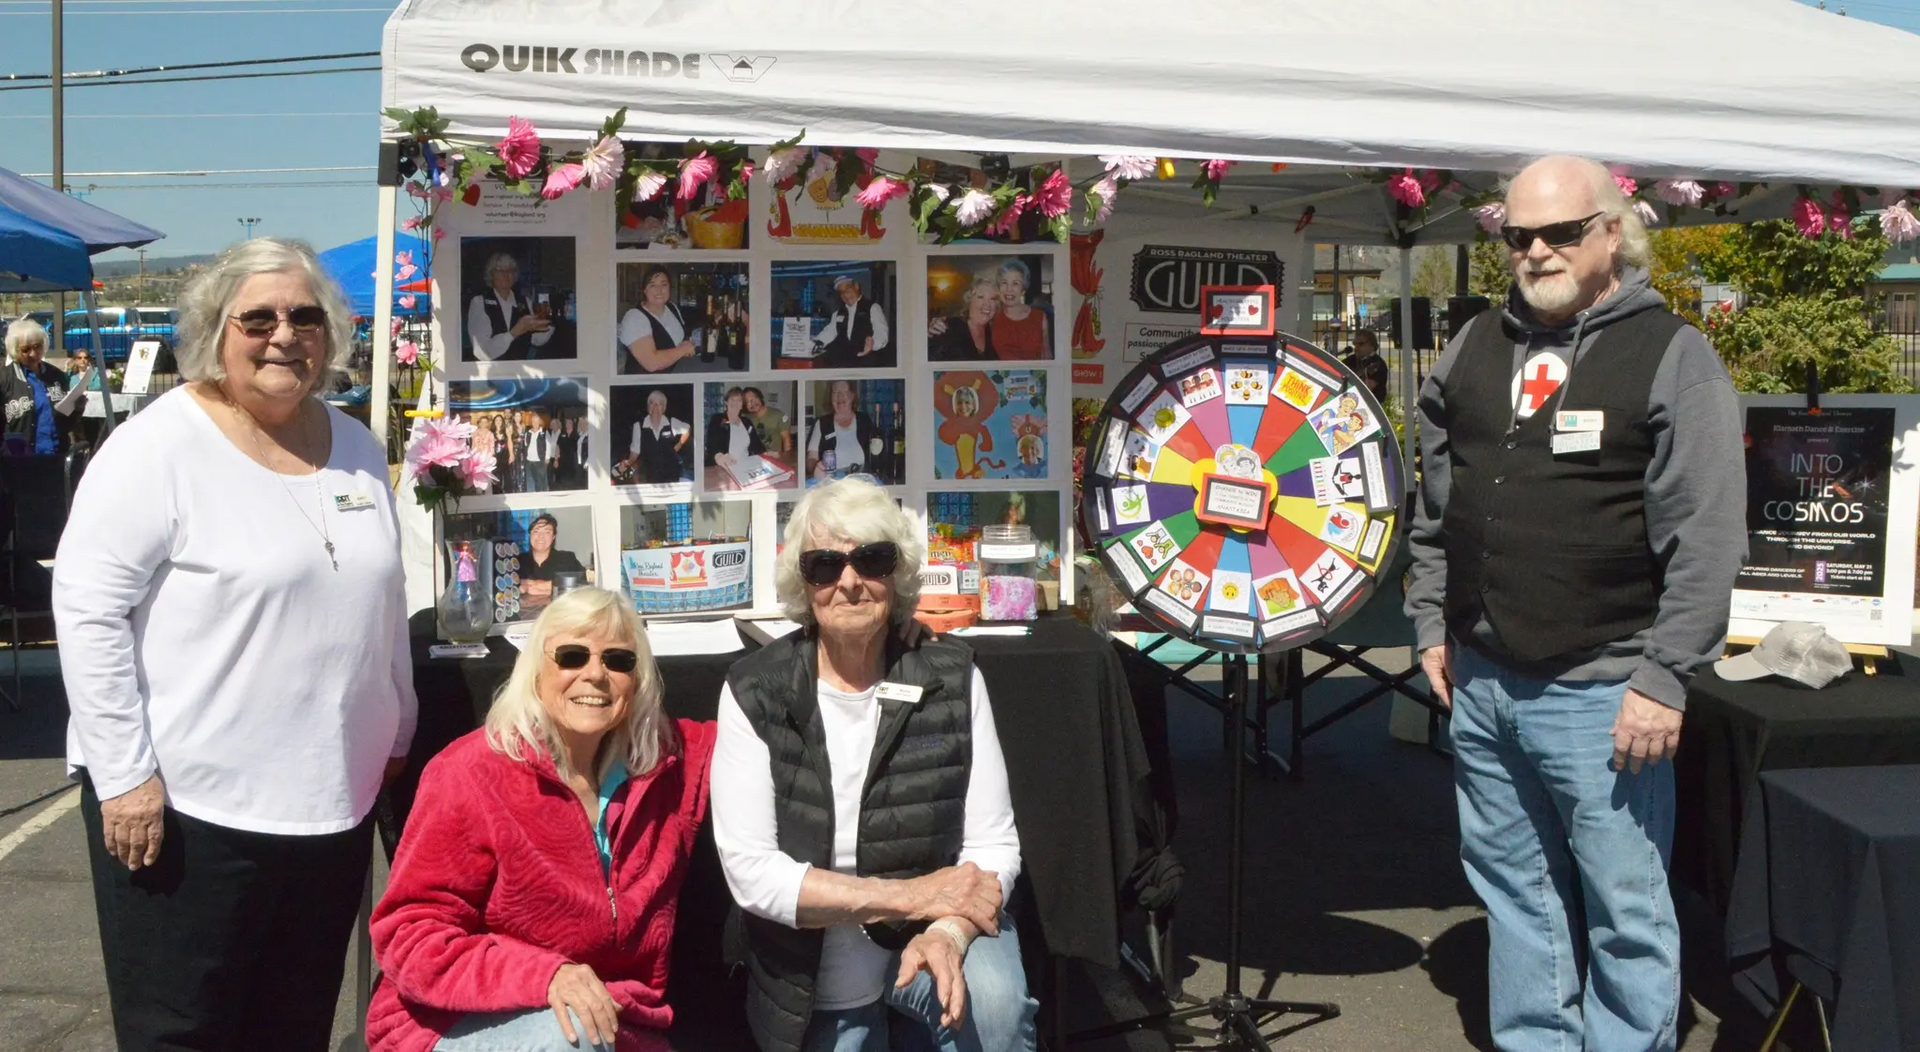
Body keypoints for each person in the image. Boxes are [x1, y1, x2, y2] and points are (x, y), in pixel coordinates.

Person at [1405, 155, 1745, 1052]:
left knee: (1624, 905)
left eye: (1561, 232)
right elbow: (1437, 504)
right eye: (1520, 236)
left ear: (1611, 233)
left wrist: (1665, 677)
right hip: (1480, 678)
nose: (1539, 251)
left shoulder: (1672, 355)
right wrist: (1430, 622)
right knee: (1514, 888)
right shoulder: (1476, 343)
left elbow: (1707, 537)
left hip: (1603, 690)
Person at [52, 238, 416, 1052]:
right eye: (258, 317)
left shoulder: (356, 446)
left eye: (305, 317)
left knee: (293, 1028)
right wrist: (124, 777)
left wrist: (397, 721)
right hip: (188, 811)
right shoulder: (158, 446)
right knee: (183, 1033)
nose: (284, 334)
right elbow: (86, 609)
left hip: (331, 806)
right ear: (216, 331)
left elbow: (382, 597)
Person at [711, 478, 1036, 1052]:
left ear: (898, 572)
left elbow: (994, 845)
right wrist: (915, 896)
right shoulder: (755, 689)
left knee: (993, 1005)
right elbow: (751, 874)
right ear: (802, 581)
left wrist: (949, 929)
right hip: (814, 971)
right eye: (825, 565)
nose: (850, 581)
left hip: (926, 938)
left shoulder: (952, 676)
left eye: (872, 559)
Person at [368, 588, 716, 1052]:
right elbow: (409, 935)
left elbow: (766, 726)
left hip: (614, 1022)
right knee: (569, 1040)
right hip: (449, 1021)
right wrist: (545, 975)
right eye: (571, 656)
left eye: (617, 660)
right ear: (534, 670)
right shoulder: (470, 773)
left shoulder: (668, 764)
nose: (595, 674)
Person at [3, 318, 84, 454]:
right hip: (18, 461)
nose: (33, 354)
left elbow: (66, 424)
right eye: (25, 349)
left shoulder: (56, 375)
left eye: (37, 346)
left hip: (56, 455)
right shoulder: (4, 379)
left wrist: (77, 409)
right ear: (15, 349)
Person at [468, 252, 554, 362]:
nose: (506, 274)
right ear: (491, 275)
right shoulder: (480, 302)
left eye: (510, 270)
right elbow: (482, 353)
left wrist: (549, 321)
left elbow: (536, 340)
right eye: (500, 270)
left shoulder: (525, 301)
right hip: (491, 371)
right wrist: (514, 332)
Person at [618, 265, 700, 374]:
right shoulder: (634, 318)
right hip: (645, 387)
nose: (659, 290)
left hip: (675, 375)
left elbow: (681, 338)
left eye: (664, 284)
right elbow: (651, 363)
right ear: (644, 290)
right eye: (652, 285)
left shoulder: (671, 307)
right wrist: (683, 350)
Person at [806, 379, 880, 484]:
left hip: (863, 484)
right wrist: (817, 467)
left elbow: (876, 452)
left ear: (852, 395)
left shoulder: (864, 420)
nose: (839, 397)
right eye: (835, 393)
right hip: (832, 485)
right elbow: (811, 459)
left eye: (844, 392)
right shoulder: (822, 423)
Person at [817, 275, 892, 368]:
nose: (846, 294)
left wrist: (873, 343)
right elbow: (829, 332)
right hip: (848, 361)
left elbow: (882, 332)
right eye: (841, 292)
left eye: (848, 289)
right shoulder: (838, 313)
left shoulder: (872, 307)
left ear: (856, 286)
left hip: (868, 361)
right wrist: (815, 343)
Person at [521, 513, 587, 609]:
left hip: (560, 613)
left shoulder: (567, 558)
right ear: (530, 534)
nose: (541, 536)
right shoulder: (517, 561)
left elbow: (582, 584)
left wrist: (544, 586)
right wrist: (555, 586)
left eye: (547, 532)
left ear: (553, 537)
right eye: (536, 531)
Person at [627, 390, 691, 485]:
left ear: (664, 408)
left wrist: (679, 445)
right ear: (648, 407)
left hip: (671, 476)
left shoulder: (672, 422)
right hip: (648, 478)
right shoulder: (638, 427)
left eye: (659, 404)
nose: (656, 407)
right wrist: (626, 463)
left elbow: (687, 429)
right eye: (652, 403)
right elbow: (635, 453)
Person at [928, 276, 999, 362]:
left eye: (992, 299)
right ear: (969, 301)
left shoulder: (995, 333)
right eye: (980, 297)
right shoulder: (948, 326)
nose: (987, 304)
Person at [706, 385, 766, 483]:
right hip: (726, 470)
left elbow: (757, 444)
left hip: (747, 469)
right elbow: (712, 442)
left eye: (739, 400)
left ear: (742, 405)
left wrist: (766, 454)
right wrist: (719, 456)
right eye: (732, 400)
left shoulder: (747, 422)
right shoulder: (718, 419)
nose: (735, 403)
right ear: (726, 402)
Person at [1342, 329, 1391, 404]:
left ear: (1371, 345)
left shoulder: (1378, 363)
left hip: (1370, 405)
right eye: (1355, 344)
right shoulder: (1350, 360)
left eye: (1360, 344)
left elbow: (1368, 387)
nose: (1356, 348)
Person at [744, 386, 791, 460]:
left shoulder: (778, 415)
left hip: (775, 458)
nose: (752, 404)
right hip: (754, 459)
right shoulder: (746, 419)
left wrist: (785, 459)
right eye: (748, 402)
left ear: (760, 398)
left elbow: (786, 440)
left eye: (754, 399)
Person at [524, 410, 554, 491]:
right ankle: (538, 496)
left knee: (542, 480)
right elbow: (526, 444)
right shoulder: (528, 432)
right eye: (533, 421)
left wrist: (547, 457)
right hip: (530, 460)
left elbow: (548, 445)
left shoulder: (544, 432)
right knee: (535, 480)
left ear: (539, 422)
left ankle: (544, 497)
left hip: (540, 460)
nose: (534, 422)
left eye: (536, 421)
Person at [470, 412, 498, 491]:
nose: (483, 423)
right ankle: (478, 491)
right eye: (482, 422)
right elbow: (473, 446)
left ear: (487, 424)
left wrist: (489, 458)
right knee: (478, 475)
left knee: (487, 476)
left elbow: (492, 447)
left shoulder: (490, 434)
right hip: (477, 458)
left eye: (485, 422)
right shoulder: (475, 433)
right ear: (479, 423)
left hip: (487, 458)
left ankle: (488, 492)